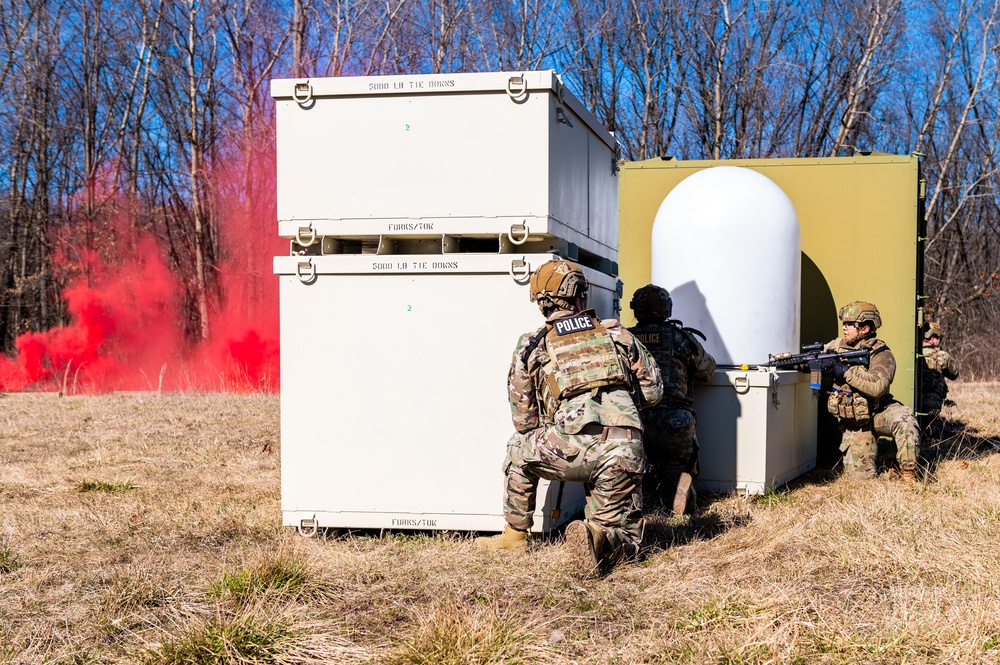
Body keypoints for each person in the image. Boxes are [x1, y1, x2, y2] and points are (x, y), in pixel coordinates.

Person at [475, 259, 663, 579]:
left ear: (541, 304)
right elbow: (654, 392)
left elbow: (524, 422)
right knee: (628, 538)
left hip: (570, 450)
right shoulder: (616, 333)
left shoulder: (532, 344)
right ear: (581, 296)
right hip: (624, 447)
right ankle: (600, 536)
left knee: (519, 447)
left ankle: (514, 537)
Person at [627, 284, 716, 516]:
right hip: (674, 425)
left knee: (631, 470)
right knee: (676, 467)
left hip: (635, 423)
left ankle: (638, 499)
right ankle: (677, 487)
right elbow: (707, 369)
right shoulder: (680, 338)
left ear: (636, 310)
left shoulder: (625, 339)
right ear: (668, 309)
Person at [823, 301, 921, 482]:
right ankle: (889, 466)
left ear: (865, 328)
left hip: (879, 412)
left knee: (906, 422)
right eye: (844, 323)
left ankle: (908, 475)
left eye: (849, 324)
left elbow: (877, 386)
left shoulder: (882, 354)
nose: (844, 328)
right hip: (857, 423)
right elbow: (810, 360)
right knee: (861, 483)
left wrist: (845, 372)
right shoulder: (836, 347)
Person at [919, 320, 959, 432]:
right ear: (933, 338)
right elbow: (954, 374)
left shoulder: (913, 354)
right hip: (932, 403)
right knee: (932, 431)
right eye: (939, 338)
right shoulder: (941, 356)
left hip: (914, 401)